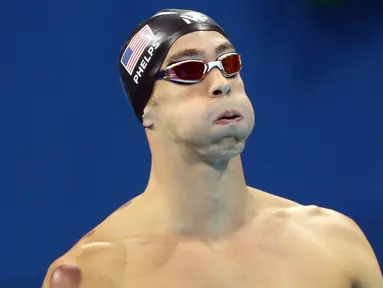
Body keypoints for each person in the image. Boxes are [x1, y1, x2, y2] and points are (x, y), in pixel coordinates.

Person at [42, 8, 382, 288]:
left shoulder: (335, 244)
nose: (220, 84)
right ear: (146, 110)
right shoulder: (91, 275)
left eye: (229, 64)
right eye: (189, 70)